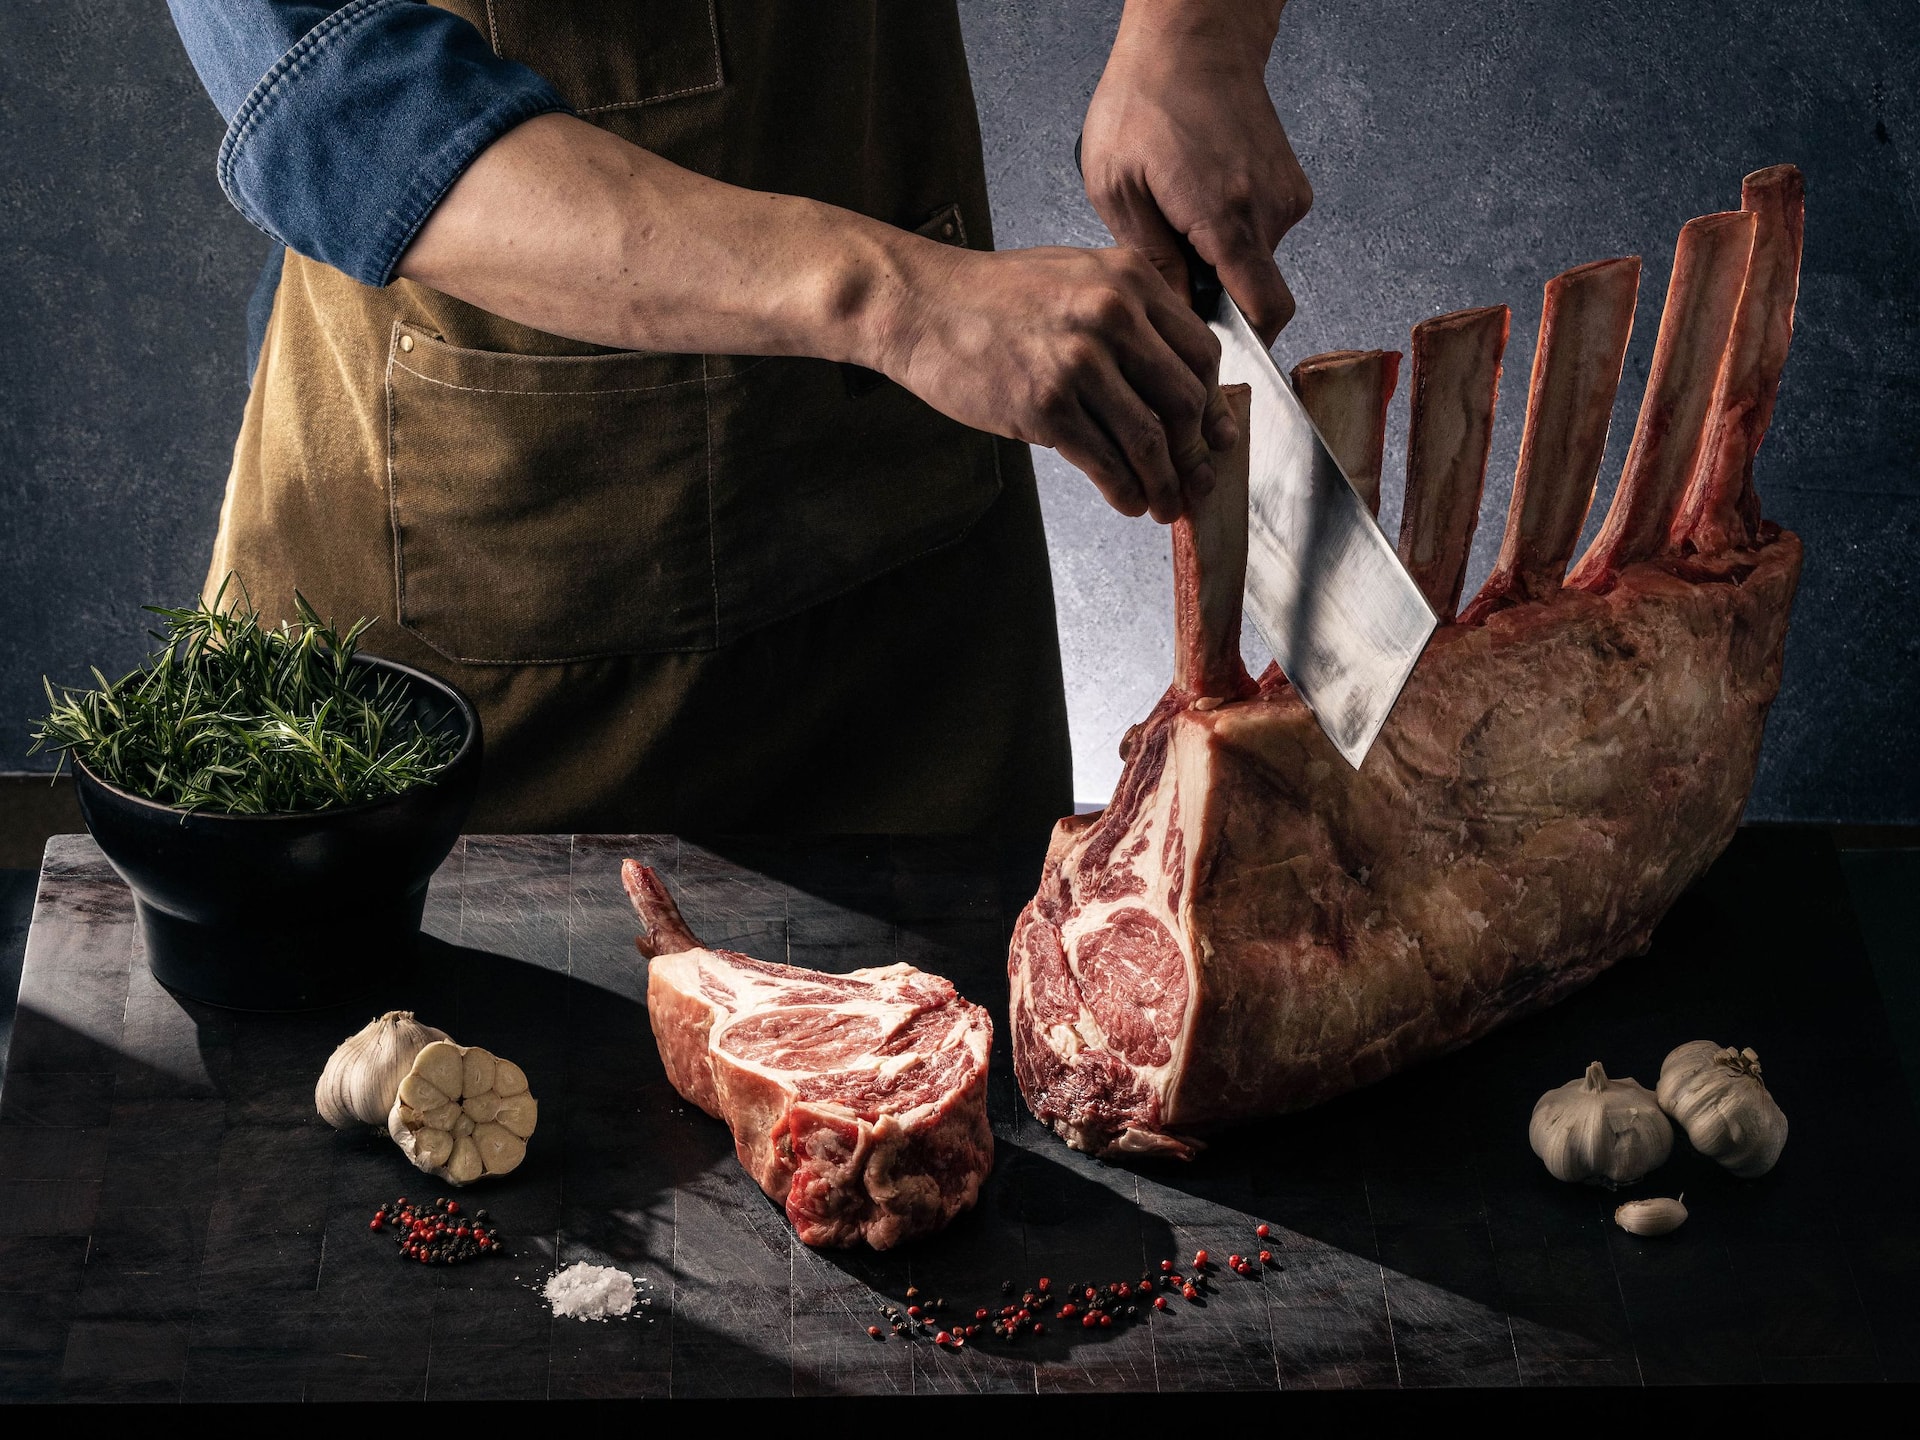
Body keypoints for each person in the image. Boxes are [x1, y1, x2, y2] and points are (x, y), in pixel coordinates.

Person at [166, 0, 1312, 836]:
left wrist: (1193, 39)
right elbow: (331, 100)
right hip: (467, 649)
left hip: (905, 639)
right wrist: (890, 298)